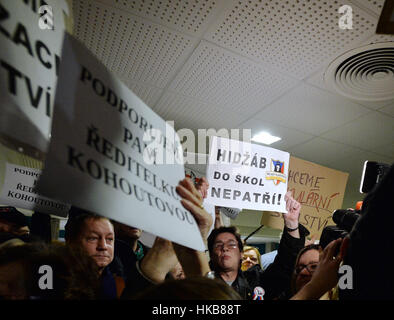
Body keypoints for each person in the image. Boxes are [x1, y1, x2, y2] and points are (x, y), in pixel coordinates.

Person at [207, 191, 309, 300]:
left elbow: (286, 264)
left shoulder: (256, 281)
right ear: (211, 253)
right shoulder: (201, 283)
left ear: (241, 253)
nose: (225, 248)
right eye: (218, 245)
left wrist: (291, 223)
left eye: (232, 245)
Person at [64, 211, 125, 299]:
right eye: (93, 238)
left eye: (109, 239)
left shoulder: (119, 283)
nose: (103, 246)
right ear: (71, 243)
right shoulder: (53, 282)